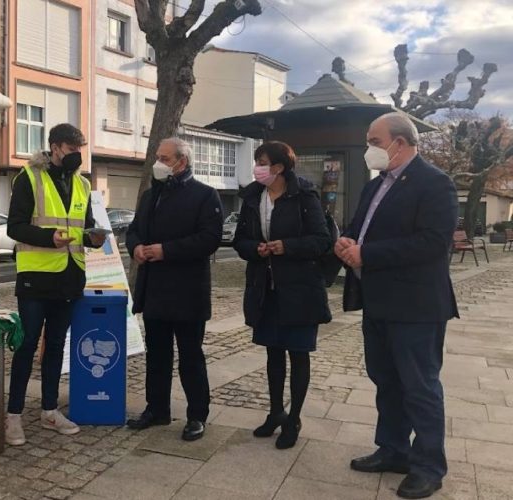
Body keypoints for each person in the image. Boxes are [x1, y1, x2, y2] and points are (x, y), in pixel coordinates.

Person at [335, 112, 458, 499]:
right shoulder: (376, 186)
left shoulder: (434, 183)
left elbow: (434, 243)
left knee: (420, 387)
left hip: (416, 305)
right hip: (379, 301)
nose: (368, 147)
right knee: (386, 381)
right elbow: (358, 226)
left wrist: (367, 254)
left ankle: (428, 467)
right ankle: (393, 450)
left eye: (374, 140)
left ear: (400, 143)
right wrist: (346, 242)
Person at [5, 123, 105, 446]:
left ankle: (49, 410)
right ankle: (13, 416)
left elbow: (85, 227)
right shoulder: (28, 178)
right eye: (72, 149)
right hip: (36, 278)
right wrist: (49, 238)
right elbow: (16, 228)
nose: (77, 155)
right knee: (27, 345)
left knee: (57, 347)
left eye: (81, 149)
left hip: (70, 277)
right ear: (55, 147)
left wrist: (94, 237)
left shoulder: (83, 185)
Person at [232, 141, 332, 450]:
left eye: (261, 161)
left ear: (278, 167)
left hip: (300, 290)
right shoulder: (252, 197)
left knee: (298, 354)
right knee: (272, 352)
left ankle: (294, 419)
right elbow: (240, 241)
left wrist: (286, 246)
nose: (256, 167)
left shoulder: (304, 196)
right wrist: (256, 249)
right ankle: (276, 411)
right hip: (266, 288)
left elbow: (321, 240)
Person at [125, 137, 223, 441]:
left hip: (187, 291)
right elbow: (134, 230)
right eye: (158, 157)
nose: (159, 163)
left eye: (165, 158)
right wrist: (137, 247)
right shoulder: (150, 195)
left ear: (182, 162)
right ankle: (157, 408)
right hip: (154, 288)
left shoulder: (205, 196)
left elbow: (209, 239)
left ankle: (197, 415)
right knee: (157, 354)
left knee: (191, 355)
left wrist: (165, 250)